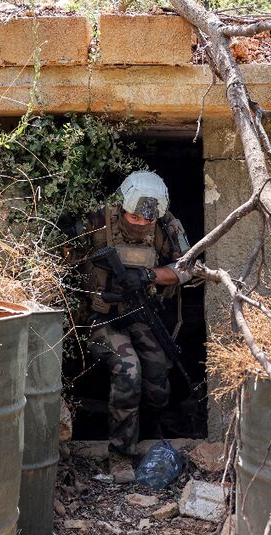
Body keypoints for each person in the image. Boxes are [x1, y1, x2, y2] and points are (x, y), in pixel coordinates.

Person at [77, 170, 193, 463]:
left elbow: (188, 267)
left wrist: (147, 275)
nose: (142, 224)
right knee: (129, 370)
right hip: (101, 317)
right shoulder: (97, 221)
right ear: (123, 207)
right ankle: (121, 455)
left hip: (141, 313)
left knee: (157, 381)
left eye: (148, 220)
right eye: (135, 218)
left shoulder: (167, 226)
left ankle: (148, 433)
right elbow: (65, 260)